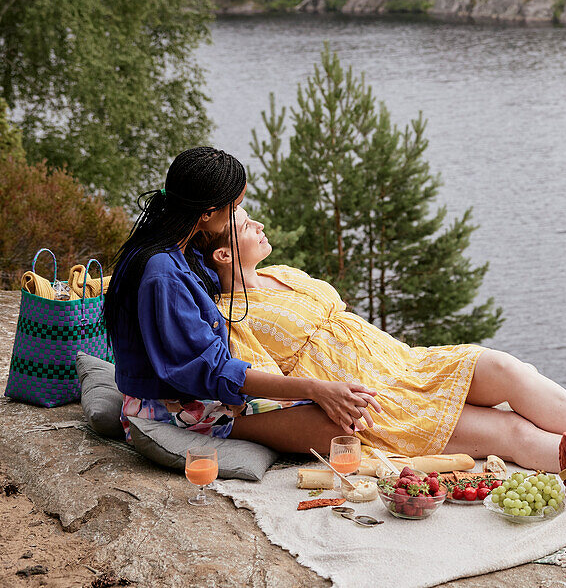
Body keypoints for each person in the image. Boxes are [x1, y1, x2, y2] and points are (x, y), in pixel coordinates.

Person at [196, 206, 566, 472]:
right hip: (378, 402)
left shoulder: (281, 273)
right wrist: (328, 400)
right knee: (511, 432)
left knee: (507, 367)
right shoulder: (230, 315)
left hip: (406, 363)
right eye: (247, 226)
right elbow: (265, 394)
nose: (260, 225)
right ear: (225, 256)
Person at [103, 147, 382, 453]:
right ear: (207, 213)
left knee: (340, 406)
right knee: (337, 430)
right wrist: (315, 389)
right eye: (234, 207)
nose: (238, 215)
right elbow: (212, 370)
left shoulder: (175, 241)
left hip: (192, 390)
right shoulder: (163, 274)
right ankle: (228, 431)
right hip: (170, 408)